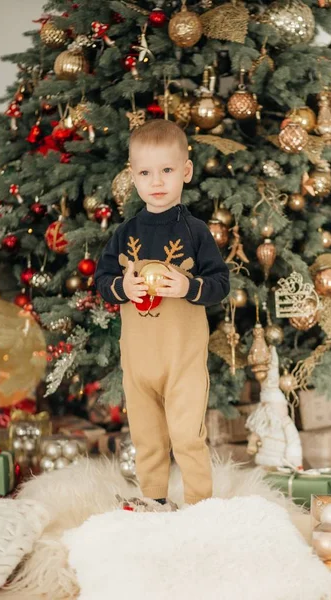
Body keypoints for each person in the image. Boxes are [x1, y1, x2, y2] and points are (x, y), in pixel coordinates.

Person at [94, 119, 230, 508]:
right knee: (147, 437)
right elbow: (103, 280)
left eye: (167, 170)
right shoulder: (125, 232)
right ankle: (153, 500)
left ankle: (200, 505)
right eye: (145, 172)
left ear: (185, 171)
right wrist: (123, 287)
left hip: (182, 358)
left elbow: (220, 282)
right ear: (133, 177)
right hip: (139, 358)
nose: (157, 182)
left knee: (187, 435)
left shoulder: (195, 231)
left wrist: (189, 287)